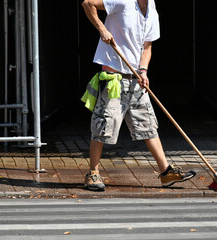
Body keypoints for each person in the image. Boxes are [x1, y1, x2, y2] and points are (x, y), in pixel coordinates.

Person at [82, 0, 196, 191]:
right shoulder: (123, 2)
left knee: (148, 125)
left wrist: (143, 71)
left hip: (135, 78)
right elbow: (87, 4)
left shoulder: (152, 11)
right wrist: (102, 29)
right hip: (114, 78)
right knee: (103, 126)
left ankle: (165, 173)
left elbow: (147, 47)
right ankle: (93, 174)